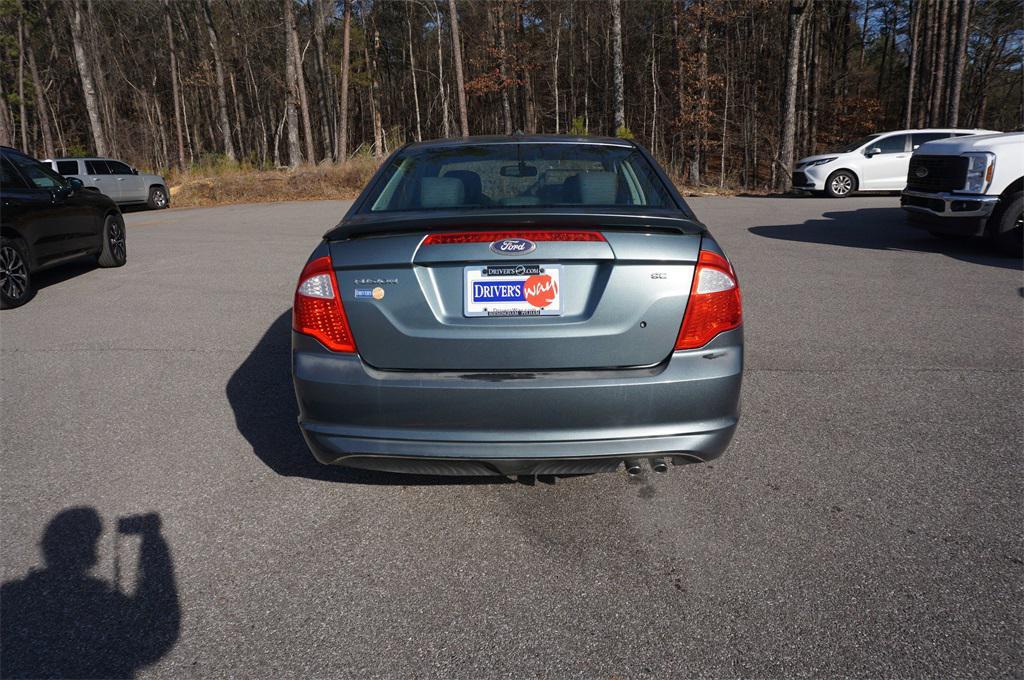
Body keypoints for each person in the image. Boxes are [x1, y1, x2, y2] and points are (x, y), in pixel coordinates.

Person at [1, 507, 180, 679]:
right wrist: (152, 539)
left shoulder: (10, 597)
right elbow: (160, 626)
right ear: (91, 553)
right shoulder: (106, 605)